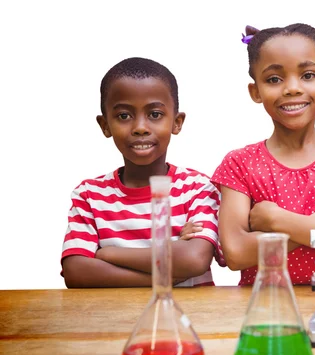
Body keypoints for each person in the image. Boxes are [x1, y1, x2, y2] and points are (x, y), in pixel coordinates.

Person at [211, 23, 315, 285]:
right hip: (261, 312)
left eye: (307, 75)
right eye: (274, 79)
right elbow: (235, 253)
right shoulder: (239, 164)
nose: (292, 88)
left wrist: (276, 219)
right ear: (255, 91)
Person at [61, 57, 223, 288]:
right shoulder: (89, 195)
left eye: (155, 114)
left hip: (189, 320)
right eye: (124, 116)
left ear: (177, 123)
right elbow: (76, 272)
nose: (139, 128)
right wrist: (168, 271)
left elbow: (193, 259)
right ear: (105, 125)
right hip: (112, 322)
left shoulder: (197, 188)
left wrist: (108, 254)